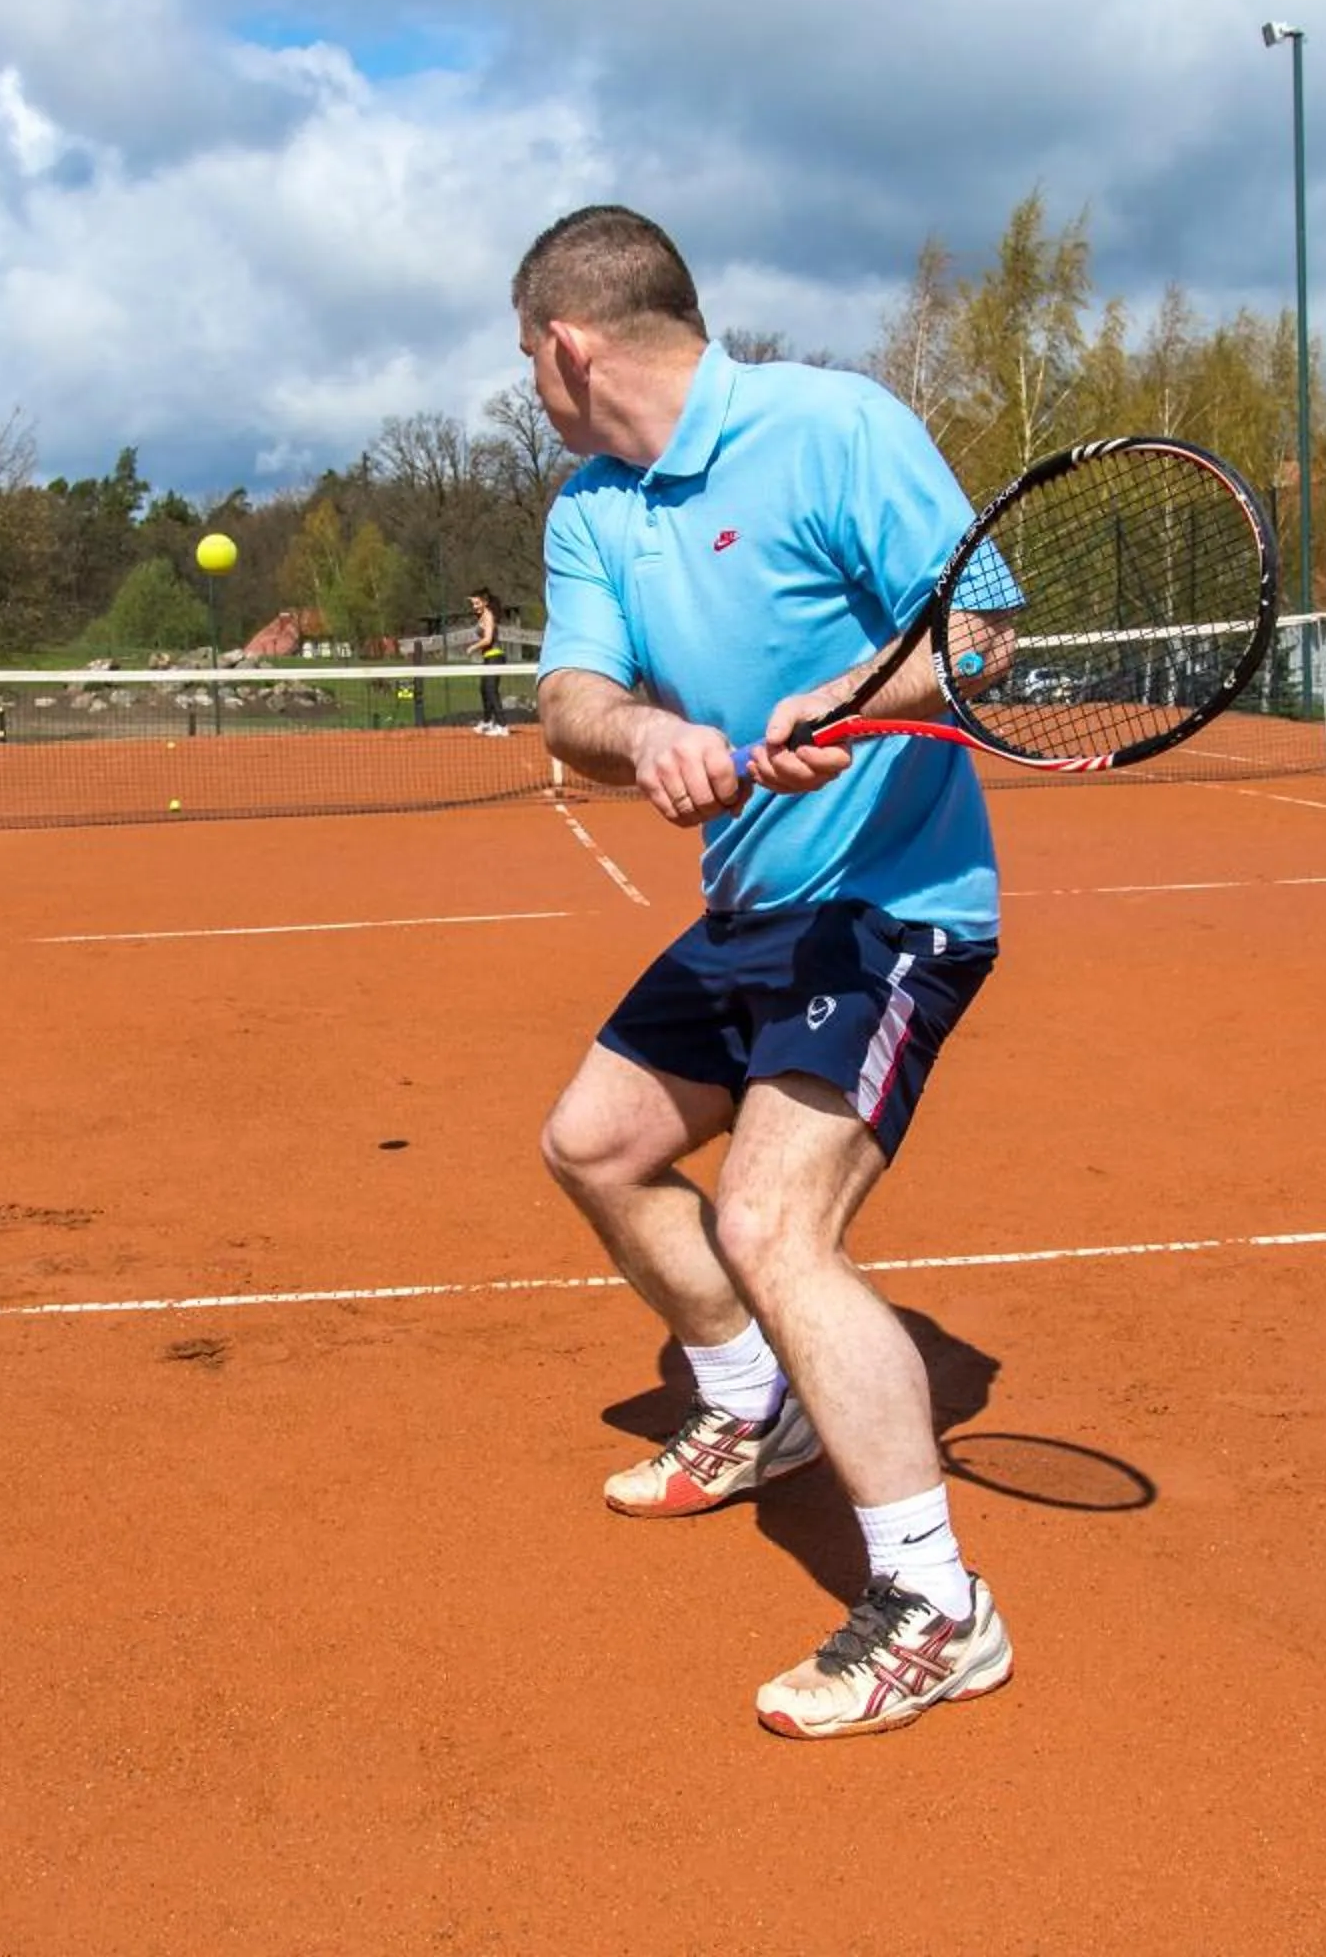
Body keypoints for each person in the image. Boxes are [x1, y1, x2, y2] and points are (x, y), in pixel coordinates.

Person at [519, 204, 1010, 1740]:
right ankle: (754, 1404)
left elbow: (984, 633)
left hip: (892, 905)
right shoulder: (594, 511)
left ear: (567, 345)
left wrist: (851, 699)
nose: (531, 381)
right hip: (749, 912)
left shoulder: (834, 429)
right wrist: (647, 733)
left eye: (526, 357)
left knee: (770, 1220)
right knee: (593, 1145)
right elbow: (571, 697)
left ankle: (937, 1606)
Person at [467, 585, 513, 735]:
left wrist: (473, 647)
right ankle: (487, 722)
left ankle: (502, 726)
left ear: (485, 602)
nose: (474, 606)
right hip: (488, 657)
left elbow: (487, 639)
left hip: (495, 656)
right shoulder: (482, 616)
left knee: (491, 690)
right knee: (484, 689)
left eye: (477, 603)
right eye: (473, 604)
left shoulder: (488, 616)